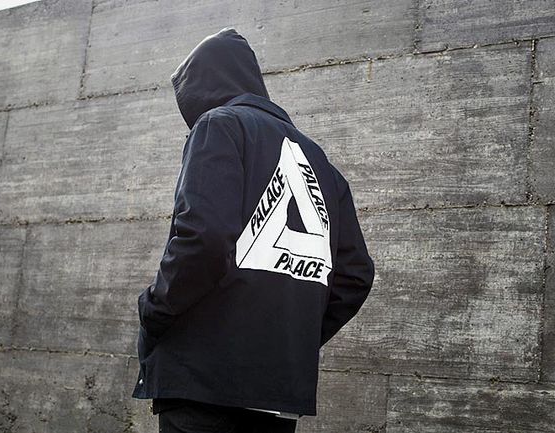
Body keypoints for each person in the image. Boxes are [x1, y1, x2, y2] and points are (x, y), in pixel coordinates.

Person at [131, 27, 375, 433]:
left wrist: (154, 310)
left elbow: (204, 237)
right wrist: (287, 342)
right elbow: (355, 275)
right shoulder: (319, 162)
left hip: (203, 384)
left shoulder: (219, 125)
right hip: (276, 394)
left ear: (205, 87)